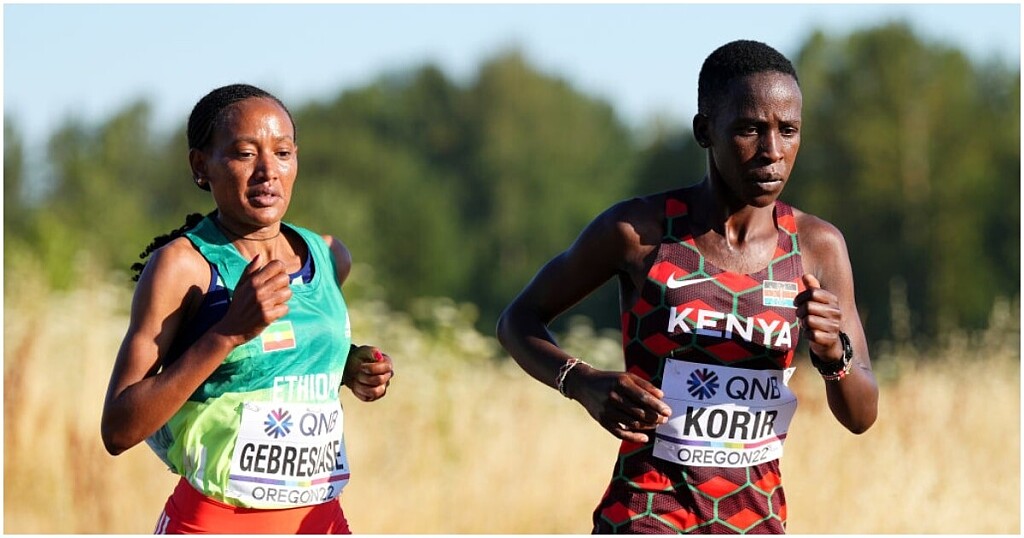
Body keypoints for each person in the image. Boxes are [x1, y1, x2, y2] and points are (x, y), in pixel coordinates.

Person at [496, 40, 878, 534]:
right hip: (645, 513)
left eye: (788, 130)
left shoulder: (816, 246)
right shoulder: (638, 232)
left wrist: (832, 355)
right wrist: (582, 382)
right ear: (704, 131)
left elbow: (861, 415)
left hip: (756, 521)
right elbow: (518, 320)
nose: (773, 152)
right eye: (749, 129)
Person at [101, 83, 395, 534]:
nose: (267, 172)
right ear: (201, 166)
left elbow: (283, 360)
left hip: (319, 520)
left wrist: (348, 365)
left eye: (282, 153)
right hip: (216, 522)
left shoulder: (330, 255)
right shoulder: (182, 267)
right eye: (244, 154)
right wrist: (227, 333)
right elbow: (118, 430)